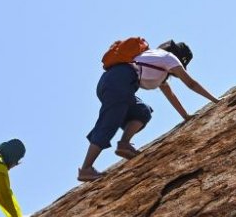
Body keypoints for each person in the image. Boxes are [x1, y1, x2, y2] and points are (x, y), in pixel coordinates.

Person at [79, 40, 218, 182]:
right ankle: (86, 169)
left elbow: (171, 95)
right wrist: (217, 101)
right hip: (119, 81)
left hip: (112, 82)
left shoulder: (156, 62)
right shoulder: (168, 58)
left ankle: (124, 144)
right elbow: (191, 83)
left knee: (142, 111)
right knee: (110, 122)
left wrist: (186, 116)